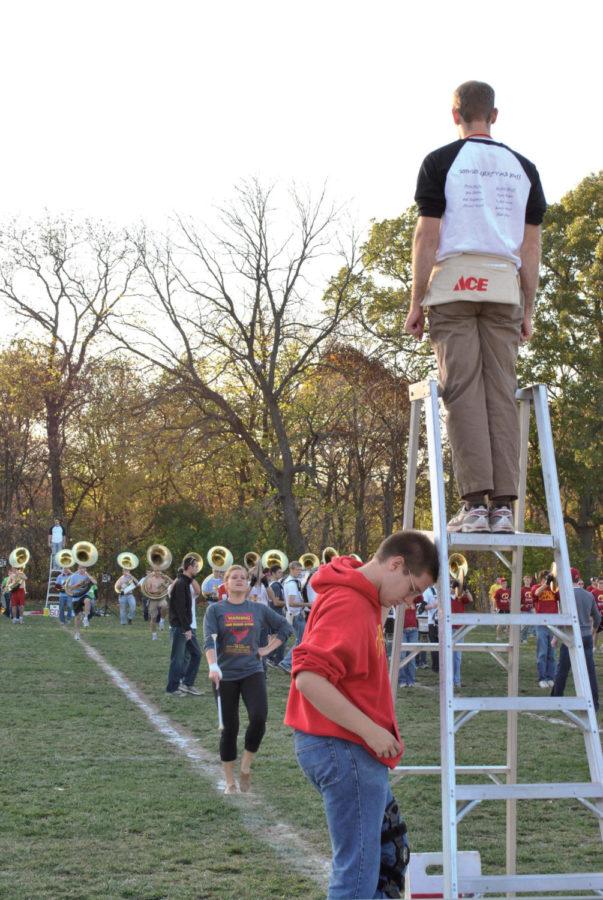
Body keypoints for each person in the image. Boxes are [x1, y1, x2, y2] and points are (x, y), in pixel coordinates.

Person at [405, 80, 546, 535]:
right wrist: (528, 308)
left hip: (453, 285)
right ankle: (504, 507)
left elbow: (427, 236)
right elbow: (530, 247)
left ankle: (475, 504)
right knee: (501, 391)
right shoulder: (523, 168)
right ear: (495, 115)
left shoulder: (440, 162)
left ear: (455, 116)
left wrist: (416, 302)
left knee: (462, 390)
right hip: (504, 287)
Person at [285, 531, 438, 899]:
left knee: (389, 856)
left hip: (347, 749)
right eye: (413, 589)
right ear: (396, 564)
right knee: (358, 872)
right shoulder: (351, 604)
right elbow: (309, 678)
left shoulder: (363, 595)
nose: (410, 601)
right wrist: (371, 731)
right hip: (344, 748)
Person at [203, 564, 292, 794]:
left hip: (252, 671)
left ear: (248, 582)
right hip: (225, 675)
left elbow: (284, 627)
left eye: (244, 577)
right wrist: (213, 666)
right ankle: (230, 782)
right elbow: (209, 641)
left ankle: (245, 766)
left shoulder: (258, 609)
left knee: (259, 717)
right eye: (235, 577)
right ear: (226, 583)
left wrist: (266, 650)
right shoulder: (215, 610)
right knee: (229, 728)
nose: (240, 580)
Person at [551, 568, 600, 711]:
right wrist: (592, 632)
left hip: (570, 637)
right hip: (586, 637)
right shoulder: (589, 595)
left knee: (563, 669)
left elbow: (561, 619)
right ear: (578, 579)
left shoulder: (565, 596)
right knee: (590, 671)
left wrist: (555, 637)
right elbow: (597, 618)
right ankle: (594, 703)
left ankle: (556, 699)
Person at [166, 556, 202, 696]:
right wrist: (186, 629)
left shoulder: (186, 583)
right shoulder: (180, 583)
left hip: (185, 626)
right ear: (188, 566)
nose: (197, 569)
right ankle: (172, 688)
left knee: (196, 654)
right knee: (178, 658)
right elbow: (180, 609)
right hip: (180, 627)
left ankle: (187, 683)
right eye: (195, 566)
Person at [279, 560, 311, 674]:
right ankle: (286, 663)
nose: (300, 572)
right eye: (298, 569)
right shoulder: (292, 584)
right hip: (296, 615)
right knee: (301, 641)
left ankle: (292, 662)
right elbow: (292, 603)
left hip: (295, 614)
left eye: (300, 570)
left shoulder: (291, 581)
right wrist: (308, 604)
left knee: (300, 640)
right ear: (292, 569)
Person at [534, 569, 559, 688]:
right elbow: (537, 593)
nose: (548, 580)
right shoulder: (536, 587)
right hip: (541, 624)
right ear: (542, 579)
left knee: (552, 653)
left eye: (549, 578)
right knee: (542, 652)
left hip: (553, 624)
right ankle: (542, 678)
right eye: (545, 578)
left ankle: (550, 677)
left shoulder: (554, 590)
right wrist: (545, 584)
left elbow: (561, 597)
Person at [451, 580, 473, 689]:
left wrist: (465, 589)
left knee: (457, 658)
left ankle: (457, 681)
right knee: (449, 656)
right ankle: (449, 681)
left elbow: (470, 599)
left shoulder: (461, 598)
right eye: (457, 588)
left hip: (460, 630)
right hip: (449, 630)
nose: (458, 590)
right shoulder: (448, 598)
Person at [398, 590, 422, 688]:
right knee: (402, 655)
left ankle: (411, 680)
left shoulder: (414, 600)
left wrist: (414, 590)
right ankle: (402, 680)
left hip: (413, 630)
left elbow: (421, 598)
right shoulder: (399, 599)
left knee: (411, 656)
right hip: (402, 630)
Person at [68, 565, 97, 640]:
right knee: (77, 617)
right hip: (76, 597)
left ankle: (86, 618)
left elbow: (95, 582)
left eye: (84, 568)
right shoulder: (74, 576)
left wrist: (88, 575)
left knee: (87, 600)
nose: (82, 570)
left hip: (84, 595)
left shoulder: (87, 576)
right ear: (78, 569)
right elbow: (70, 588)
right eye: (81, 568)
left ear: (85, 569)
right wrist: (78, 584)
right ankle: (77, 633)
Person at [424, 584, 439, 672]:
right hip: (432, 622)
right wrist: (433, 605)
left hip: (443, 622)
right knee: (434, 645)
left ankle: (443, 665)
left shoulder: (445, 590)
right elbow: (423, 607)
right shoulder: (428, 591)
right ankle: (436, 667)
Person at [520, 574, 536, 642]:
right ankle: (523, 638)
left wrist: (535, 606)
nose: (527, 581)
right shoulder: (522, 589)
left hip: (532, 608)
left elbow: (535, 598)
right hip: (524, 609)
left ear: (531, 581)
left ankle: (532, 633)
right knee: (525, 624)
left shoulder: (533, 588)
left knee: (533, 622)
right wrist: (520, 606)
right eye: (526, 580)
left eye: (529, 579)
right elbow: (518, 599)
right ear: (524, 581)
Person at [589, 577, 603, 651]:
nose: (601, 585)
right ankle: (593, 646)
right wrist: (591, 614)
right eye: (600, 583)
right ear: (597, 583)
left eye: (602, 583)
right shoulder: (593, 592)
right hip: (596, 615)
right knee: (595, 631)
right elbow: (590, 604)